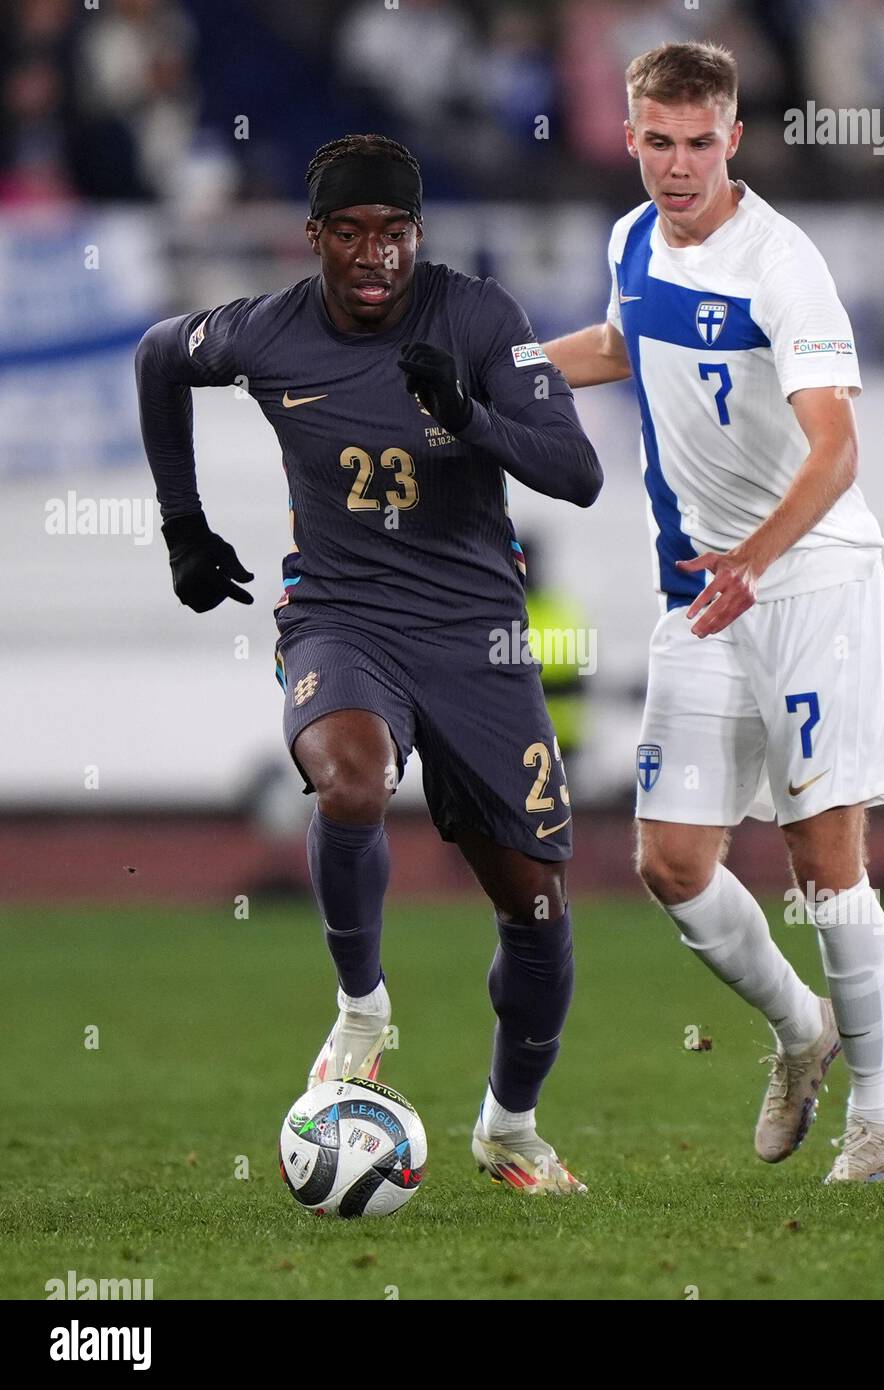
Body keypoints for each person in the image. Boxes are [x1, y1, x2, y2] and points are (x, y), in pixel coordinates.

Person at [135, 133, 602, 1196]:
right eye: (350, 233)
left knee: (536, 911)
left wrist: (469, 415)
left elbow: (577, 472)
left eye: (394, 232)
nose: (375, 254)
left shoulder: (480, 317)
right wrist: (182, 526)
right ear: (314, 238)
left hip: (477, 635)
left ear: (419, 234)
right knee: (350, 782)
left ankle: (510, 1127)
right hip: (342, 616)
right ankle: (362, 1005)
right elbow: (161, 354)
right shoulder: (267, 329)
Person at [543, 43, 884, 1183]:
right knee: (672, 861)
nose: (678, 165)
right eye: (658, 141)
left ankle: (878, 1120)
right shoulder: (631, 238)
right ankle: (802, 1030)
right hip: (703, 590)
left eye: (700, 143)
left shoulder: (783, 265)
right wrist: (501, 372)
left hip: (807, 582)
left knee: (822, 855)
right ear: (631, 136)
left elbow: (837, 446)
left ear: (734, 140)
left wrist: (755, 557)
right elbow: (620, 342)